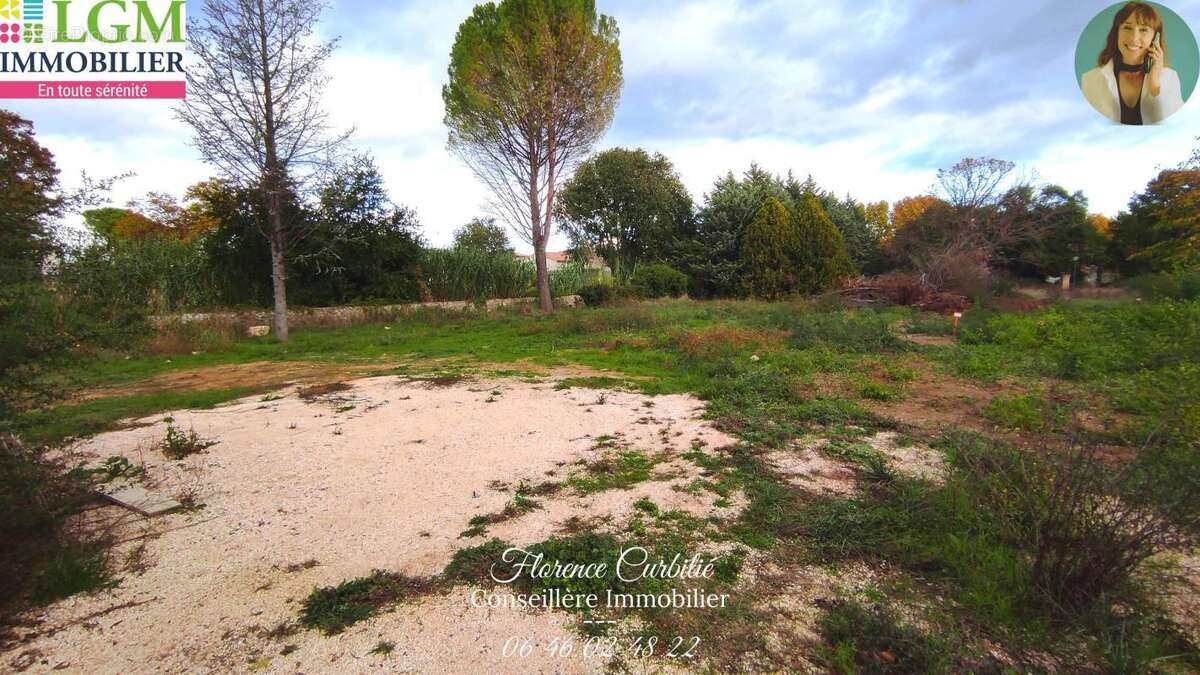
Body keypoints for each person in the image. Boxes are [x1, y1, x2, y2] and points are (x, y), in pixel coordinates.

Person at [1080, 2, 1185, 124]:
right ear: (1117, 33)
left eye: (1143, 30)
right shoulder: (1090, 80)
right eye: (1127, 28)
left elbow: (1175, 126)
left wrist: (1155, 85)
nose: (1134, 38)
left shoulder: (1170, 78)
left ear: (1155, 38)